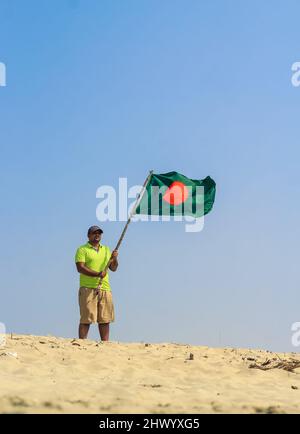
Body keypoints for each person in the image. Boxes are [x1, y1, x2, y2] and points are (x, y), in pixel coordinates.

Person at [75, 225, 118, 341]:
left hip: (105, 288)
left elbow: (113, 268)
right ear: (88, 235)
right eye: (94, 233)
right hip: (87, 288)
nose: (97, 235)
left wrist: (114, 258)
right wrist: (98, 274)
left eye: (99, 233)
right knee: (86, 318)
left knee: (105, 319)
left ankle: (105, 344)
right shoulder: (82, 249)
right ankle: (82, 343)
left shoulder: (106, 250)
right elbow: (80, 268)